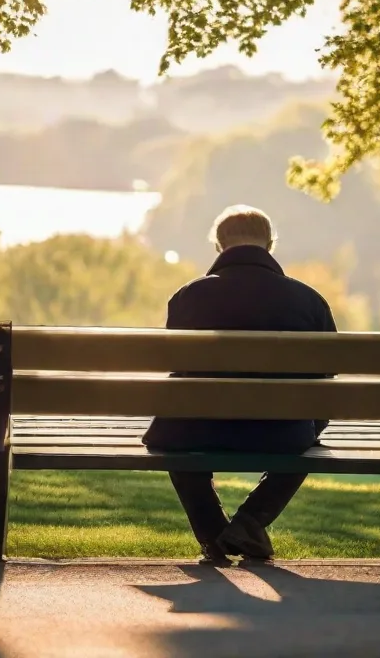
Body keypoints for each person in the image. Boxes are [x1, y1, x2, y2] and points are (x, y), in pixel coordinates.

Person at [142, 205, 337, 566]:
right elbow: (328, 376)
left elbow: (173, 364)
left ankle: (213, 534)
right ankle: (249, 522)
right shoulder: (308, 300)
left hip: (194, 429)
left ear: (219, 246)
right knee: (307, 437)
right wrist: (309, 424)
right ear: (270, 245)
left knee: (172, 434)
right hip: (281, 432)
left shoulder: (189, 296)